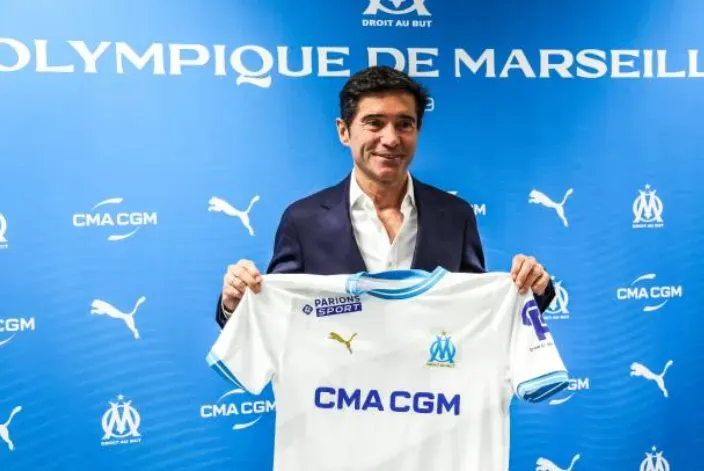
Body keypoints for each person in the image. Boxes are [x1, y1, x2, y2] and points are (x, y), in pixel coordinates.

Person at [215, 65, 555, 328]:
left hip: (435, 405)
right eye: (374, 123)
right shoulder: (302, 220)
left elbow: (479, 314)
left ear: (418, 131)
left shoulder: (455, 215)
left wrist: (532, 291)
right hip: (337, 404)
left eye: (404, 124)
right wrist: (235, 302)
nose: (391, 139)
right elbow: (274, 316)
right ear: (344, 131)